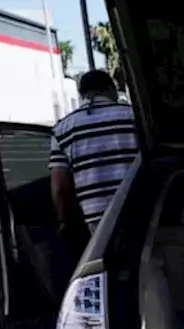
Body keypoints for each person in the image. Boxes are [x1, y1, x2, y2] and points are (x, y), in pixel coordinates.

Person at [48, 70, 139, 236]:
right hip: (139, 206)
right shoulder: (134, 115)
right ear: (111, 89)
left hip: (96, 217)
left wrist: (64, 221)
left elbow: (60, 186)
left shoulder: (62, 129)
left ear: (82, 94)